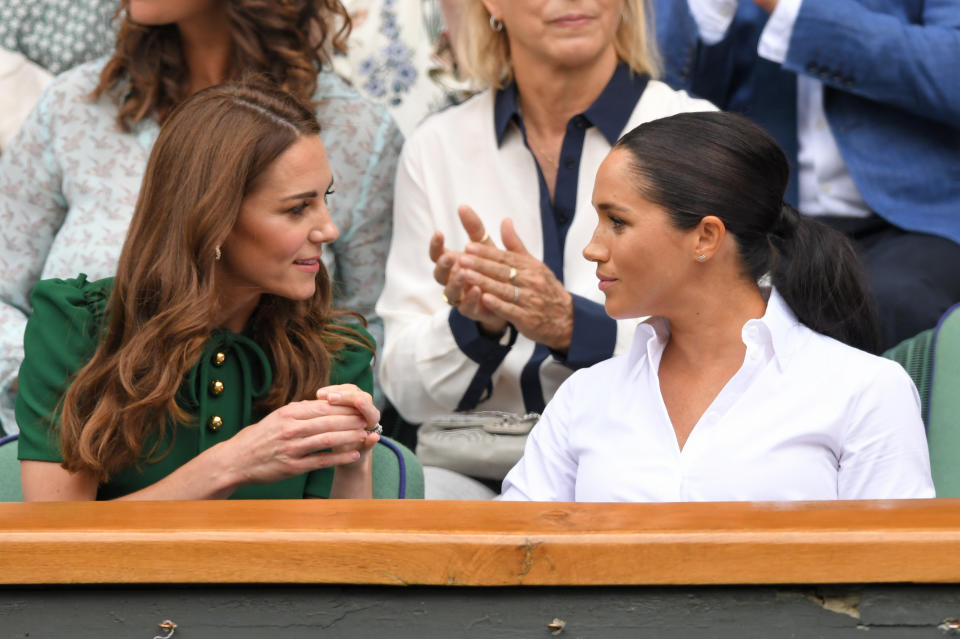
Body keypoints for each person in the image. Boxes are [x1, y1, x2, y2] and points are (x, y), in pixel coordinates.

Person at [0, 0, 402, 435]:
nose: (326, 227)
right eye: (298, 206)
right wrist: (65, 384)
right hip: (78, 441)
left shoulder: (357, 129)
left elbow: (368, 325)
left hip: (277, 463)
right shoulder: (74, 104)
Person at [500, 111, 934, 502]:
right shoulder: (583, 397)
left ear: (706, 237)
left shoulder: (866, 392)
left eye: (617, 222)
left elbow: (896, 577)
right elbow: (512, 554)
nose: (592, 249)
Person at [17, 83, 382, 501]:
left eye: (325, 198)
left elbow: (339, 559)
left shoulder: (337, 355)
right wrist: (231, 465)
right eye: (297, 208)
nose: (329, 229)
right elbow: (56, 546)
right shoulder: (76, 329)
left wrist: (357, 458)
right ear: (213, 218)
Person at [376, 0, 715, 438]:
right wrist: (476, 324)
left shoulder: (698, 136)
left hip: (654, 462)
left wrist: (575, 326)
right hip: (476, 470)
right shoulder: (434, 150)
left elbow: (737, 350)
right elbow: (405, 392)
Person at [652, 0, 960, 351]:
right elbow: (668, 103)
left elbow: (951, 70)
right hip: (776, 221)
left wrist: (790, 10)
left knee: (895, 300)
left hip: (919, 219)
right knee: (715, 301)